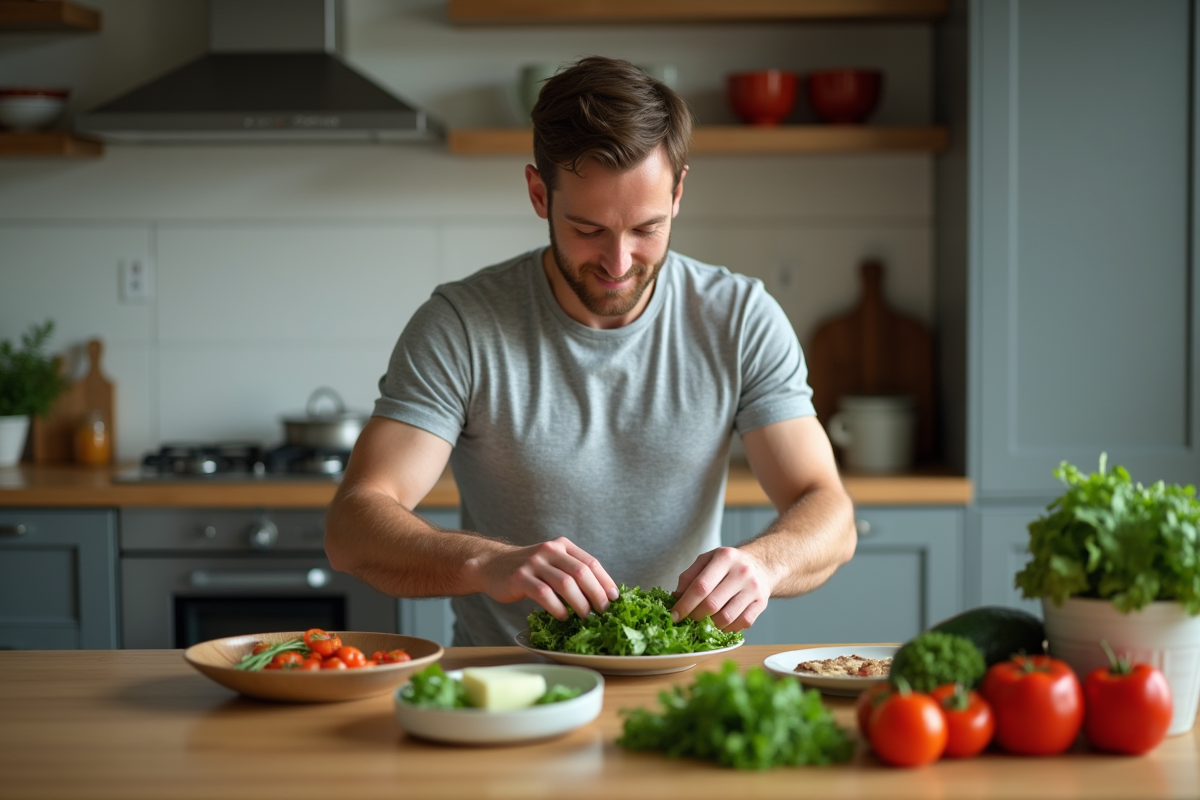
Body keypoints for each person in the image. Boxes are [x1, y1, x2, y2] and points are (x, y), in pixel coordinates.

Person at [325, 55, 857, 647]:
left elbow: (829, 510)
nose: (618, 262)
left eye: (646, 229)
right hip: (511, 683)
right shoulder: (461, 325)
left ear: (678, 193)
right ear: (537, 193)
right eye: (588, 229)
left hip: (678, 678)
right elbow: (353, 525)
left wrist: (765, 565)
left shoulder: (740, 318)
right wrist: (485, 563)